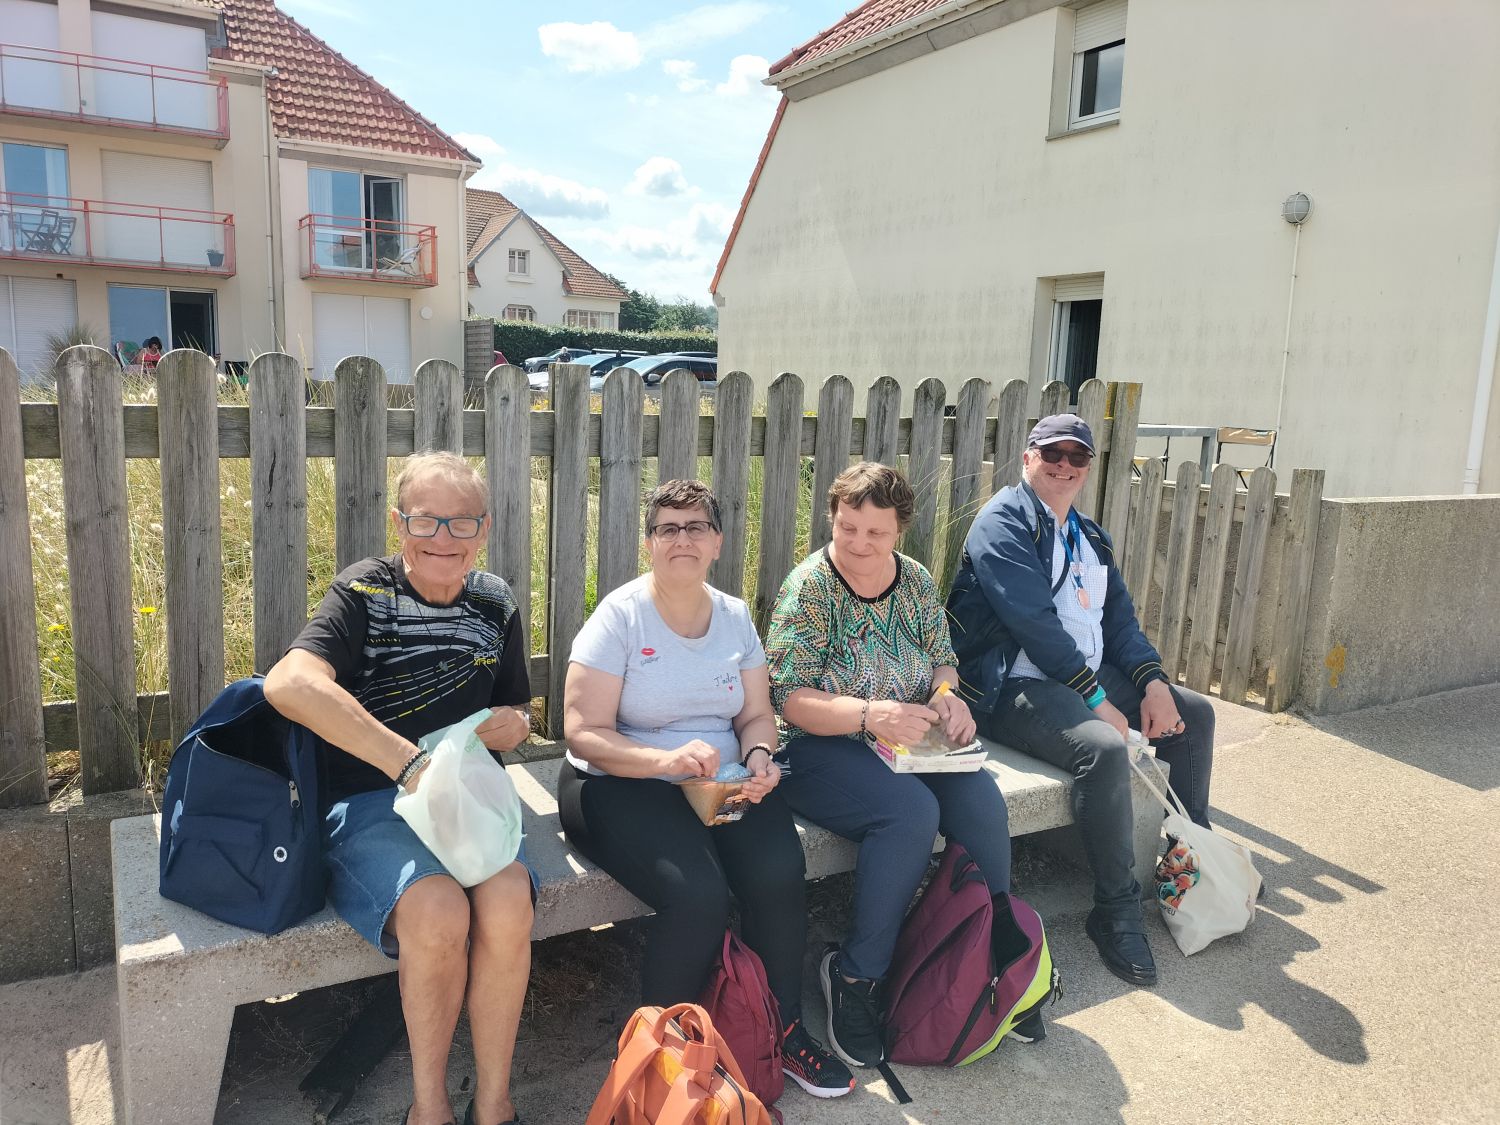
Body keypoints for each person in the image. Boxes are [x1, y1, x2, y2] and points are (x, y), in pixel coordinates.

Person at [559, 479, 854, 1100]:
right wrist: (663, 758)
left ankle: (782, 1030)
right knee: (697, 895)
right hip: (621, 783)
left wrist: (759, 755)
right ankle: (663, 1060)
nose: (682, 538)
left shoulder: (735, 616)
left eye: (696, 527)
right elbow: (583, 732)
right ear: (649, 544)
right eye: (667, 528)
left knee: (777, 873)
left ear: (717, 541)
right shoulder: (620, 615)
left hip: (719, 782)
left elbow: (753, 714)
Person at [264, 451, 533, 1125]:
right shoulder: (365, 592)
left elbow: (520, 711)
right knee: (439, 912)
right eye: (425, 519)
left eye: (460, 522)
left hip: (466, 802)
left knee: (506, 903)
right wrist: (406, 763)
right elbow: (288, 684)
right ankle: (429, 1107)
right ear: (398, 521)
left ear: (484, 528)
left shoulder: (496, 602)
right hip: (370, 802)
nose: (442, 538)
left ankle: (494, 1103)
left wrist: (514, 725)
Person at [947, 413, 1216, 988]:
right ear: (1027, 459)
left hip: (1076, 676)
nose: (1065, 466)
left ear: (1088, 469)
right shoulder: (1002, 523)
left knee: (1194, 714)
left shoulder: (1089, 536)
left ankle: (1193, 860)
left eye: (1078, 457)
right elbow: (1036, 626)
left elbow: (1120, 622)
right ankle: (1115, 910)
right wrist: (1097, 699)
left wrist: (1152, 683)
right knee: (1103, 748)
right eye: (1053, 454)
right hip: (1010, 686)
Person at [765, 462, 1014, 1070]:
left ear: (899, 531)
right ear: (833, 517)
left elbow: (941, 661)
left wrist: (948, 697)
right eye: (847, 527)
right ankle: (856, 976)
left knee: (981, 801)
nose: (858, 544)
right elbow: (787, 697)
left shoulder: (918, 582)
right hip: (818, 744)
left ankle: (991, 955)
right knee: (909, 815)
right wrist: (870, 714)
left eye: (875, 533)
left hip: (904, 739)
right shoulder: (812, 586)